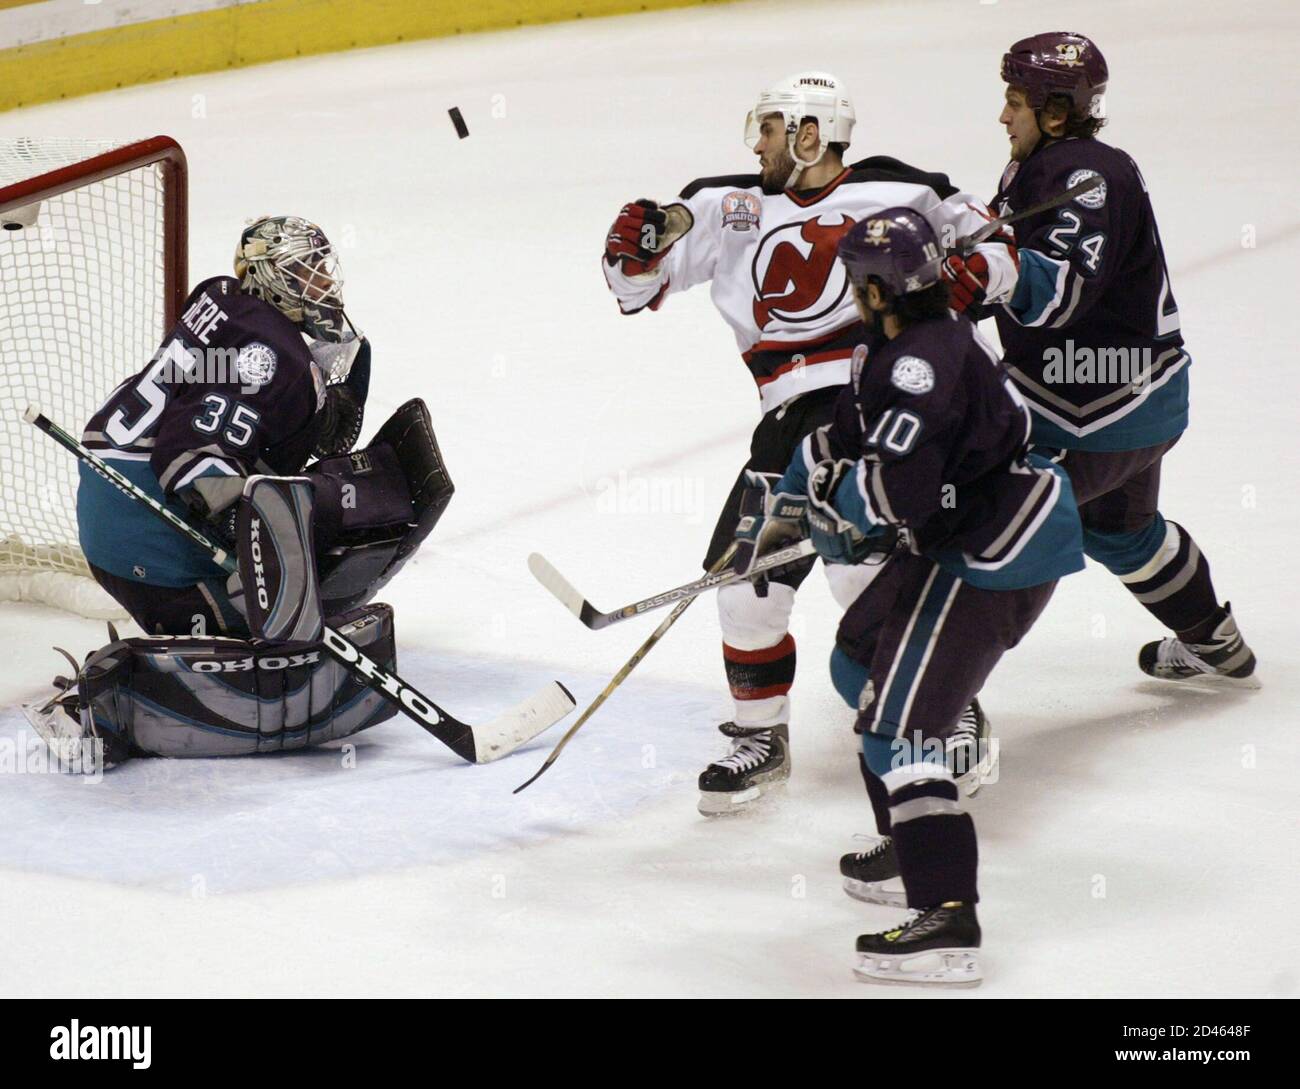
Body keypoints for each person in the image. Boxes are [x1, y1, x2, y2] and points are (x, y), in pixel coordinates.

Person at [602, 72, 1019, 814]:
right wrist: (632, 245)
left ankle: (951, 710)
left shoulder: (907, 190)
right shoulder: (723, 205)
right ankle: (760, 734)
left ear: (809, 134)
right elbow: (635, 287)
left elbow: (1003, 253)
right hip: (788, 417)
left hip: (884, 397)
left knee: (867, 574)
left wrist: (969, 272)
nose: (755, 144)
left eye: (768, 129)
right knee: (744, 581)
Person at [737, 207, 1085, 985]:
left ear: (872, 285)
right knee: (860, 654)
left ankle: (946, 918)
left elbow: (903, 494)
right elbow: (847, 443)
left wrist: (833, 522)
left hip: (993, 553)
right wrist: (787, 503)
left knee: (901, 732)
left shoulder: (920, 361)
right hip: (961, 534)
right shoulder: (884, 346)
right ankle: (909, 837)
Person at [25, 216, 453, 769]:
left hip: (117, 503)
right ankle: (107, 699)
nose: (324, 285)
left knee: (312, 520)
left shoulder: (224, 297)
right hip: (144, 532)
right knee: (306, 586)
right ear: (271, 279)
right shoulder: (272, 357)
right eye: (306, 272)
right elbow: (187, 456)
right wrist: (262, 546)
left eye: (324, 269)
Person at [987, 32, 1256, 684]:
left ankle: (942, 703)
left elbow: (1060, 293)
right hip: (1142, 397)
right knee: (1119, 528)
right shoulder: (1056, 163)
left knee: (992, 525)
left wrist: (982, 274)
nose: (1003, 116)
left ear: (1055, 110)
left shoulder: (1083, 176)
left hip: (1095, 405)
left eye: (1015, 102)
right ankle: (1211, 637)